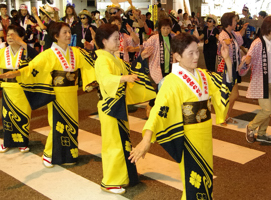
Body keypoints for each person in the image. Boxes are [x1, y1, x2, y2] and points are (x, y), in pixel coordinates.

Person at [129, 33, 234, 200]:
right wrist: (146, 138)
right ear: (177, 56)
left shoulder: (203, 75)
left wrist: (227, 60)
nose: (195, 57)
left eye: (197, 52)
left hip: (205, 136)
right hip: (188, 138)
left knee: (205, 176)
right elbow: (158, 110)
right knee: (194, 180)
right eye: (190, 53)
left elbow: (224, 84)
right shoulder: (171, 81)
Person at [0, 22, 97, 168]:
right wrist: (18, 72)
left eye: (69, 32)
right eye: (64, 32)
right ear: (55, 36)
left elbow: (92, 61)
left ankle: (69, 154)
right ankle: (49, 153)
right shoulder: (48, 54)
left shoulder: (77, 52)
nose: (68, 35)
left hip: (71, 93)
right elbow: (33, 67)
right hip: (56, 94)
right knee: (57, 124)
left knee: (72, 123)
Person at [94, 23, 155, 194]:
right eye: (115, 39)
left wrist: (141, 58)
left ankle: (126, 175)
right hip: (109, 106)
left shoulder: (113, 58)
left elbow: (129, 70)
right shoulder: (102, 60)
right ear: (104, 41)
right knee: (113, 143)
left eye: (118, 38)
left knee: (122, 141)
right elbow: (106, 79)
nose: (118, 42)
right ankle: (111, 180)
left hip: (117, 105)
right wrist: (122, 79)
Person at [0, 25, 39, 153]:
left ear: (21, 37)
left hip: (23, 89)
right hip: (7, 89)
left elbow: (39, 60)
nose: (9, 37)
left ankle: (22, 142)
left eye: (13, 35)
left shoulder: (27, 52)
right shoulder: (2, 51)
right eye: (8, 34)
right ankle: (7, 142)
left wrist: (23, 44)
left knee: (23, 116)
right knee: (7, 117)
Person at [217, 12, 248, 125]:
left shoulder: (232, 34)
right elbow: (220, 44)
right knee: (230, 94)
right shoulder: (223, 34)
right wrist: (224, 43)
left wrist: (243, 29)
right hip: (226, 68)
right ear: (229, 22)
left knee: (232, 94)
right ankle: (224, 116)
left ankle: (225, 116)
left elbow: (239, 40)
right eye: (234, 20)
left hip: (233, 68)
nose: (236, 22)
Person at [143, 18, 174, 116]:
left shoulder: (172, 38)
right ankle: (152, 104)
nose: (166, 30)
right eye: (164, 28)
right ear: (160, 28)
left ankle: (154, 105)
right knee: (162, 85)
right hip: (157, 66)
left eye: (168, 28)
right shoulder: (154, 38)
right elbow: (145, 45)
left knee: (164, 87)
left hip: (170, 66)